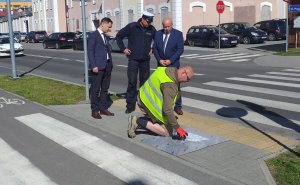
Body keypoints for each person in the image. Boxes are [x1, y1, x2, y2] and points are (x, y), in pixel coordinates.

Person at [127, 66, 194, 139]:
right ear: (183, 73)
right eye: (188, 79)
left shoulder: (169, 70)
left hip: (143, 95)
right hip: (147, 103)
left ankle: (150, 121)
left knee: (169, 122)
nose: (187, 81)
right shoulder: (170, 85)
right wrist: (177, 128)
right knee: (168, 132)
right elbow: (167, 110)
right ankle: (137, 121)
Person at [116, 11, 156, 114]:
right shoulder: (132, 26)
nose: (149, 23)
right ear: (142, 19)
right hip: (133, 59)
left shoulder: (151, 29)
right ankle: (130, 105)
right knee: (132, 82)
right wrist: (123, 49)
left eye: (150, 22)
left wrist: (153, 49)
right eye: (147, 21)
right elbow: (119, 36)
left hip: (145, 60)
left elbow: (157, 40)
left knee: (144, 84)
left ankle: (144, 104)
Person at [153, 17, 184, 115]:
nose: (166, 29)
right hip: (161, 64)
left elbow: (180, 49)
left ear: (172, 25)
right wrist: (159, 59)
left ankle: (178, 106)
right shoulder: (158, 33)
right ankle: (163, 105)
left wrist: (170, 60)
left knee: (175, 86)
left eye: (168, 26)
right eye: (164, 27)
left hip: (173, 64)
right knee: (162, 85)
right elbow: (155, 48)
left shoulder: (178, 34)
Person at [88, 17, 114, 119]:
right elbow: (90, 52)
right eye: (109, 27)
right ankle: (94, 110)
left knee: (105, 89)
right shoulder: (94, 36)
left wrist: (110, 64)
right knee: (95, 89)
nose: (109, 29)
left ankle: (103, 108)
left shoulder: (105, 36)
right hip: (98, 67)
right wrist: (93, 65)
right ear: (103, 24)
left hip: (107, 65)